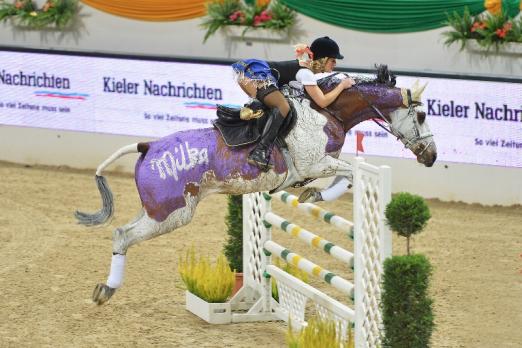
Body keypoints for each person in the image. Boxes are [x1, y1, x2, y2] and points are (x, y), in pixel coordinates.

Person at [232, 36, 353, 171]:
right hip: (255, 74)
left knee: (276, 104)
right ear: (323, 59)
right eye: (333, 60)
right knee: (283, 106)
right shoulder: (306, 73)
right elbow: (322, 102)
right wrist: (342, 85)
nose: (335, 63)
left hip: (249, 73)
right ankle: (259, 152)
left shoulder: (306, 70)